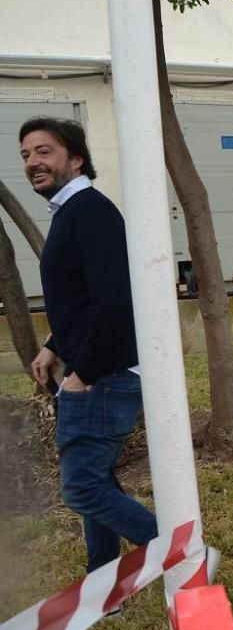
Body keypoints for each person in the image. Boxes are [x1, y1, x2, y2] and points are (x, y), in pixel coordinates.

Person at [19, 117, 157, 574]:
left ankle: (182, 556)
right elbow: (81, 298)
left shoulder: (90, 212)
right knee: (98, 479)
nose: (32, 162)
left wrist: (82, 374)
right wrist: (54, 346)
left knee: (82, 489)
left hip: (103, 375)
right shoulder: (72, 214)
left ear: (75, 160)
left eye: (44, 151)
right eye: (25, 155)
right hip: (92, 369)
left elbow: (116, 302)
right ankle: (105, 581)